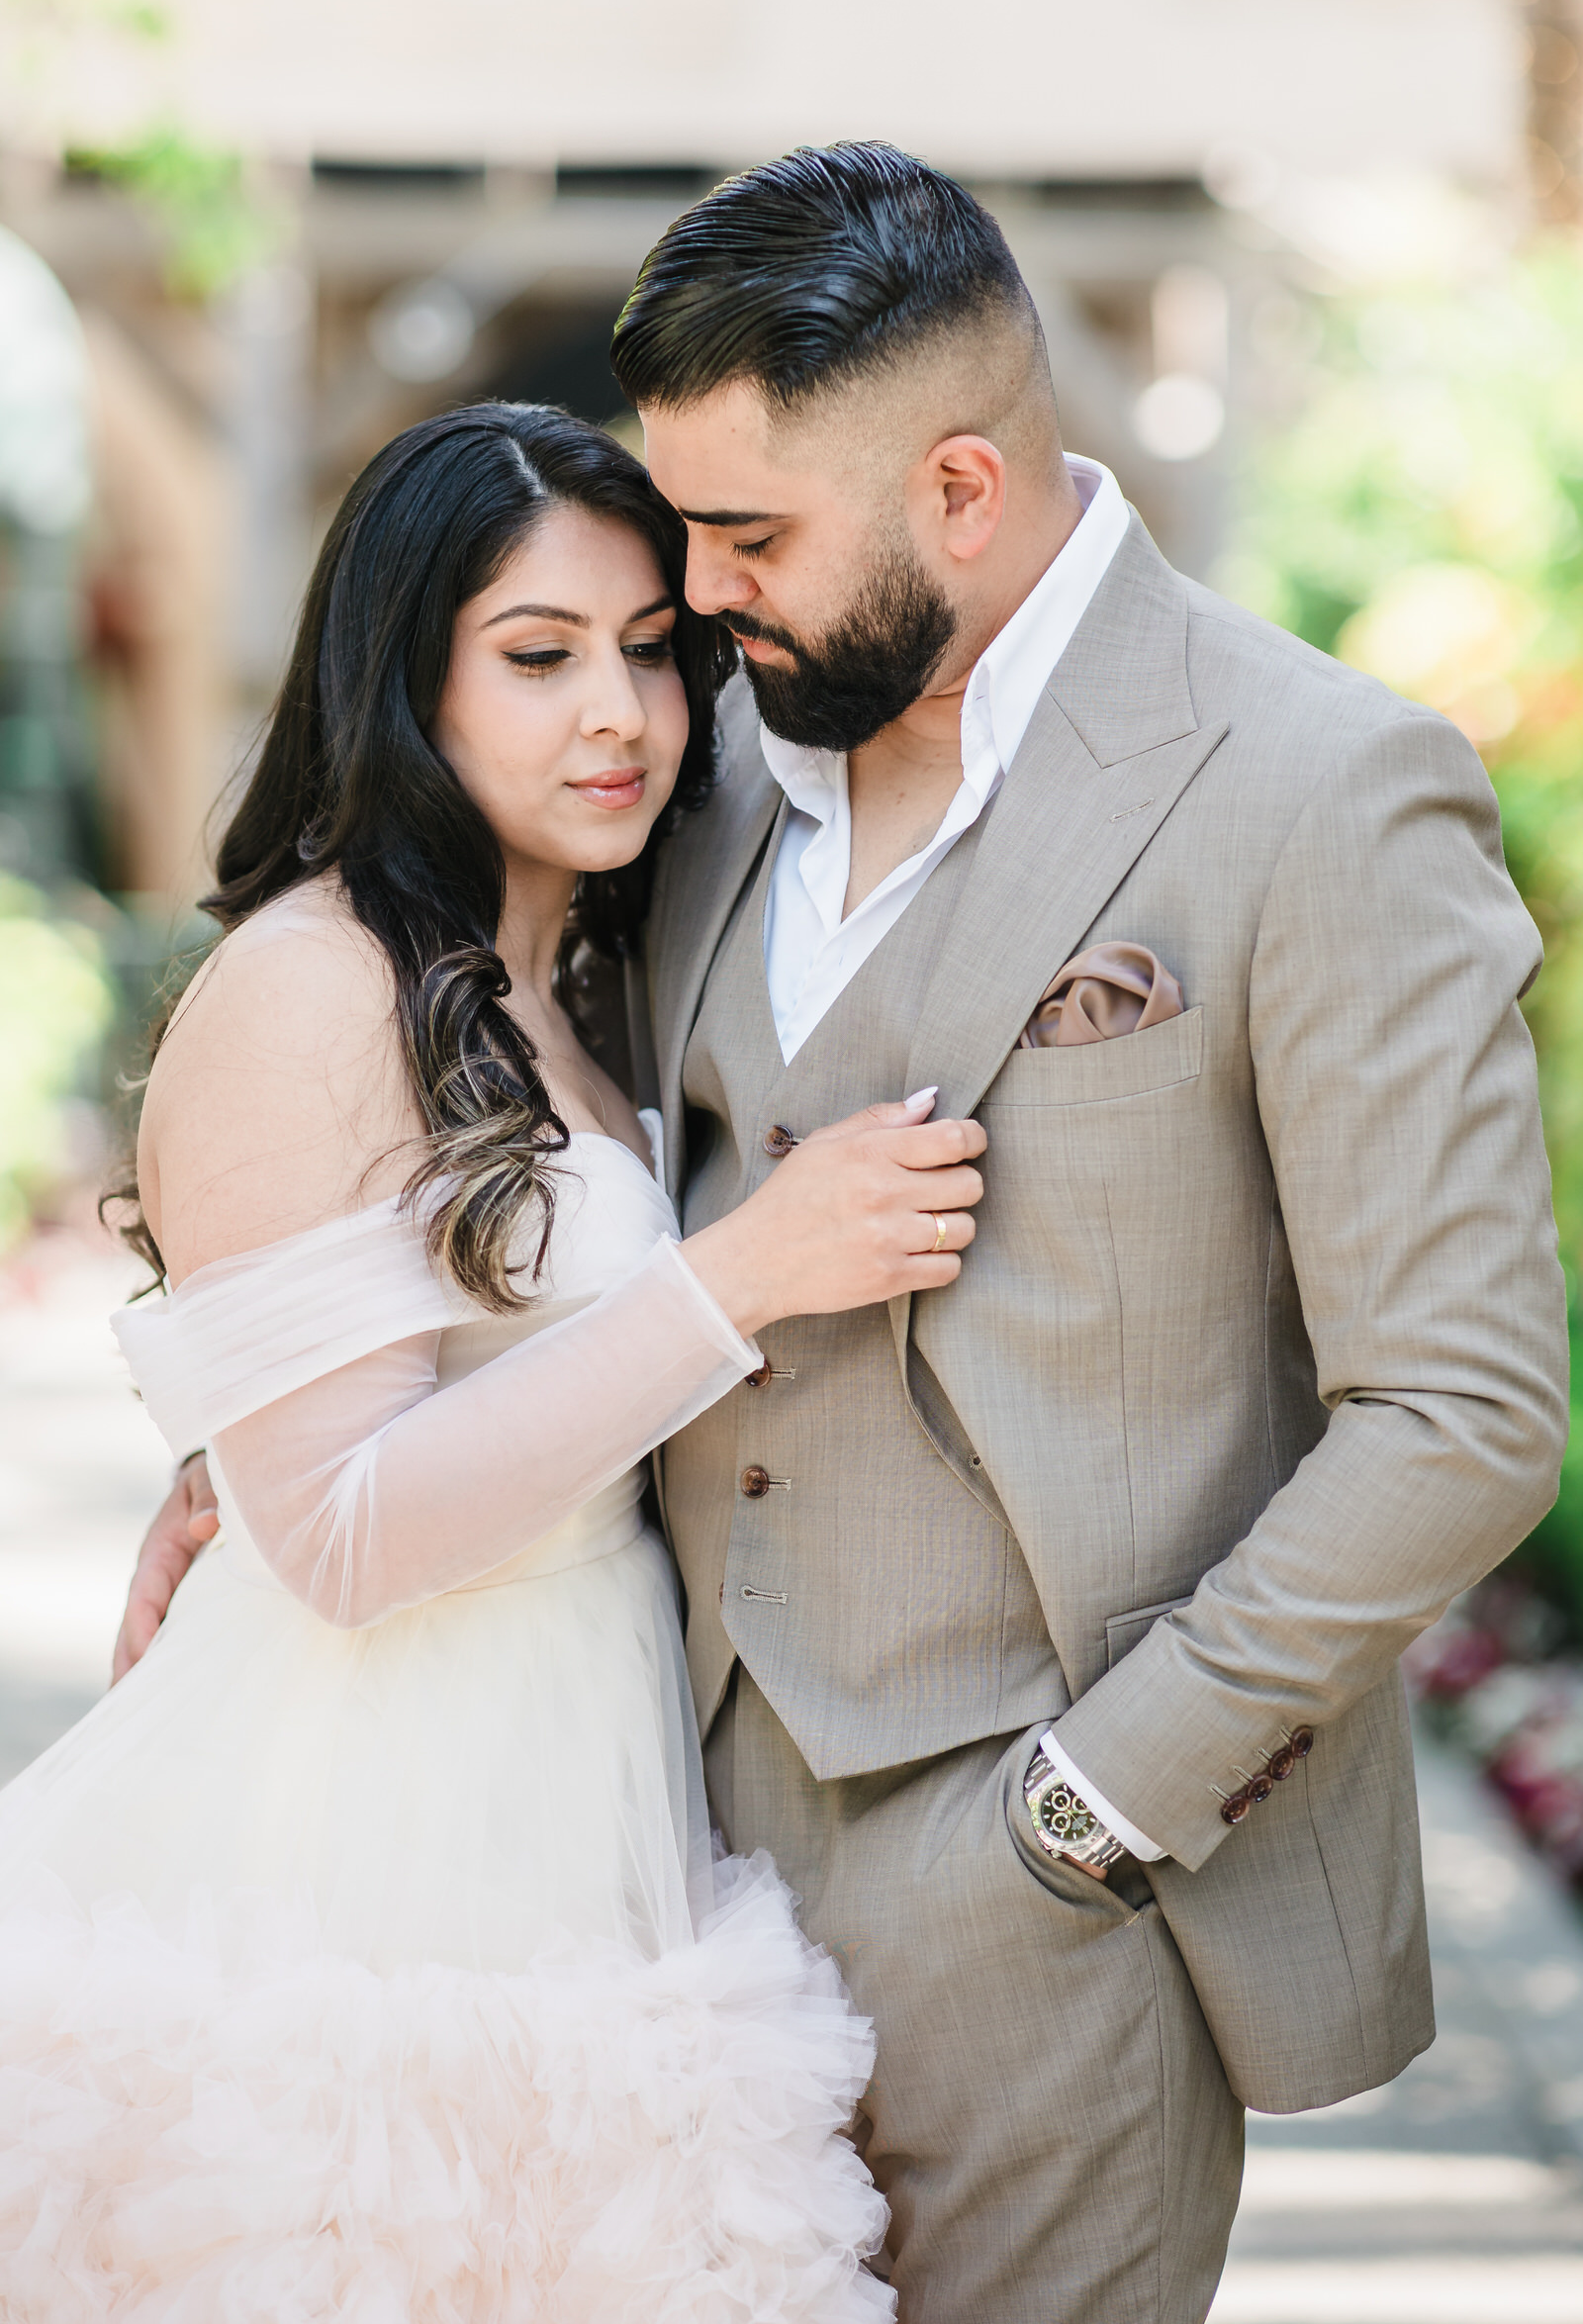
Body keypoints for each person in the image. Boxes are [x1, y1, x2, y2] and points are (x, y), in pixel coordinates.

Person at [121, 145, 1571, 2322]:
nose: (688, 601)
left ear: (960, 491)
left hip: (1048, 1896)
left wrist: (1091, 1812)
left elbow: (1457, 1415)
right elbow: (478, 1157)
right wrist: (267, 1422)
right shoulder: (697, 774)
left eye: (743, 538)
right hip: (630, 1869)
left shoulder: (1316, 790)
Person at [0, 401, 996, 2318]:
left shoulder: (581, 979)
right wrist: (740, 1280)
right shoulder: (305, 984)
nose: (615, 715)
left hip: (584, 1791)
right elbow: (347, 1539)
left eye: (651, 651)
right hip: (358, 1838)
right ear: (407, 685)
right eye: (536, 659)